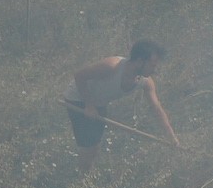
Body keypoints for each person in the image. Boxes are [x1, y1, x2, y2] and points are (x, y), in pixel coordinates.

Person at [63, 39, 180, 172]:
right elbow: (79, 76)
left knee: (94, 147)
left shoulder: (145, 82)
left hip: (99, 104)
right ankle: (81, 178)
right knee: (88, 146)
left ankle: (84, 174)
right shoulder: (112, 66)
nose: (155, 70)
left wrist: (171, 136)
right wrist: (89, 105)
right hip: (78, 98)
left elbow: (156, 108)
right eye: (152, 65)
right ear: (140, 61)